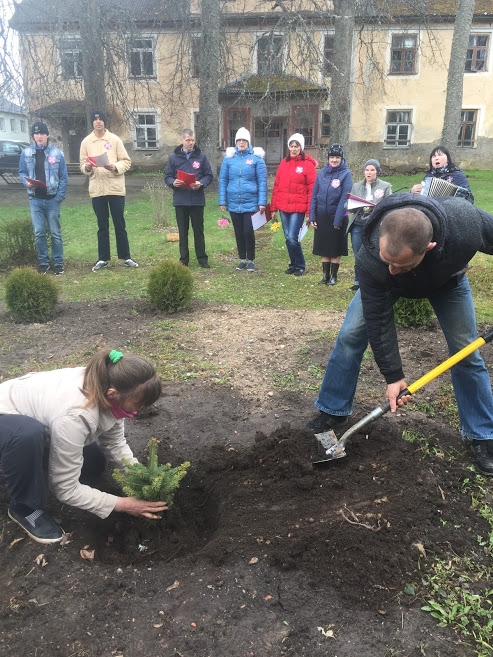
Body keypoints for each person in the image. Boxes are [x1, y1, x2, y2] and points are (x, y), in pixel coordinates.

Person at [306, 192, 493, 476]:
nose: (392, 269)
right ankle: (333, 408)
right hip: (385, 289)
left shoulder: (464, 224)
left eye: (401, 265)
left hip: (447, 284)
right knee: (351, 335)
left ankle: (482, 434)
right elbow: (378, 319)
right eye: (387, 261)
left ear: (429, 247)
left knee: (466, 351)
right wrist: (394, 376)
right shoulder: (371, 257)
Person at [0, 349, 167, 543]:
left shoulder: (108, 384)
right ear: (113, 394)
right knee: (26, 435)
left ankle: (31, 463)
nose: (140, 410)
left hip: (38, 417)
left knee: (95, 463)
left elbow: (114, 442)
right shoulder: (74, 416)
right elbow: (65, 488)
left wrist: (141, 477)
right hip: (7, 420)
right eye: (138, 404)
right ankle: (24, 507)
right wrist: (122, 504)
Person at [79, 110, 138, 272]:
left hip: (115, 188)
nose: (98, 121)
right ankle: (103, 258)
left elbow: (126, 161)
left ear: (105, 122)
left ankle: (126, 257)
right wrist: (87, 167)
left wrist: (115, 167)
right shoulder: (86, 142)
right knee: (102, 225)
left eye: (101, 119)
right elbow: (82, 164)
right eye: (95, 119)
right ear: (92, 122)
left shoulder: (114, 140)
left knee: (119, 223)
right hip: (97, 189)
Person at [18, 121, 68, 275]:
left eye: (42, 133)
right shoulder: (26, 153)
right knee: (39, 232)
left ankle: (58, 263)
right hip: (35, 200)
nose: (39, 136)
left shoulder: (57, 153)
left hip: (52, 199)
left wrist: (59, 197)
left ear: (47, 135)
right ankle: (44, 262)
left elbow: (63, 177)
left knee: (55, 232)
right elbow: (21, 172)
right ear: (33, 136)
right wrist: (27, 183)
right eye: (36, 133)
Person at [218, 127, 267, 272]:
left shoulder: (256, 159)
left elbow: (262, 182)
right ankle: (242, 259)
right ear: (235, 142)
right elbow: (223, 180)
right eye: (239, 140)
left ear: (248, 142)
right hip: (233, 202)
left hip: (251, 202)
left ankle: (251, 259)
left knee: (248, 232)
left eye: (244, 140)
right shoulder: (228, 159)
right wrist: (223, 200)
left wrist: (262, 202)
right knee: (238, 232)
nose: (241, 142)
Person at [164, 129, 213, 268]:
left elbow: (209, 175)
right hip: (180, 200)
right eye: (188, 140)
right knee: (182, 231)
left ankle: (202, 259)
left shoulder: (201, 157)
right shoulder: (174, 158)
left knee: (198, 231)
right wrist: (173, 182)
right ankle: (184, 260)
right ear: (182, 140)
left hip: (197, 200)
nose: (191, 143)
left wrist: (201, 183)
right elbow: (167, 176)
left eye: (192, 140)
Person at [270, 133, 317, 277]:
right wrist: (273, 207)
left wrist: (310, 212)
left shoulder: (307, 165)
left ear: (301, 148)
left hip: (298, 207)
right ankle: (293, 264)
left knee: (292, 237)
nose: (294, 148)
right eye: (292, 146)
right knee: (287, 237)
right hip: (283, 207)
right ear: (289, 147)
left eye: (297, 146)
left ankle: (300, 264)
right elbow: (277, 185)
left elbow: (312, 190)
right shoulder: (284, 163)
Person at [309, 143, 353, 285]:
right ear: (328, 158)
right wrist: (312, 216)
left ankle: (334, 276)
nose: (334, 160)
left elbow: (344, 197)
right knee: (324, 246)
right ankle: (325, 276)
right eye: (332, 157)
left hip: (337, 217)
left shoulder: (346, 174)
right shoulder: (321, 173)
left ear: (341, 158)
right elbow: (314, 195)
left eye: (337, 157)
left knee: (335, 247)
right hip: (322, 216)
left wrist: (338, 219)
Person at [348, 159, 392, 291]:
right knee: (358, 254)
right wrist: (353, 205)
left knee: (375, 253)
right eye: (367, 170)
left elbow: (390, 204)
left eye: (372, 170)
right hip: (358, 224)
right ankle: (358, 281)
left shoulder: (385, 186)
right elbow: (348, 205)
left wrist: (377, 207)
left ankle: (375, 279)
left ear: (377, 172)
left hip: (374, 225)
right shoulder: (356, 186)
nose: (369, 172)